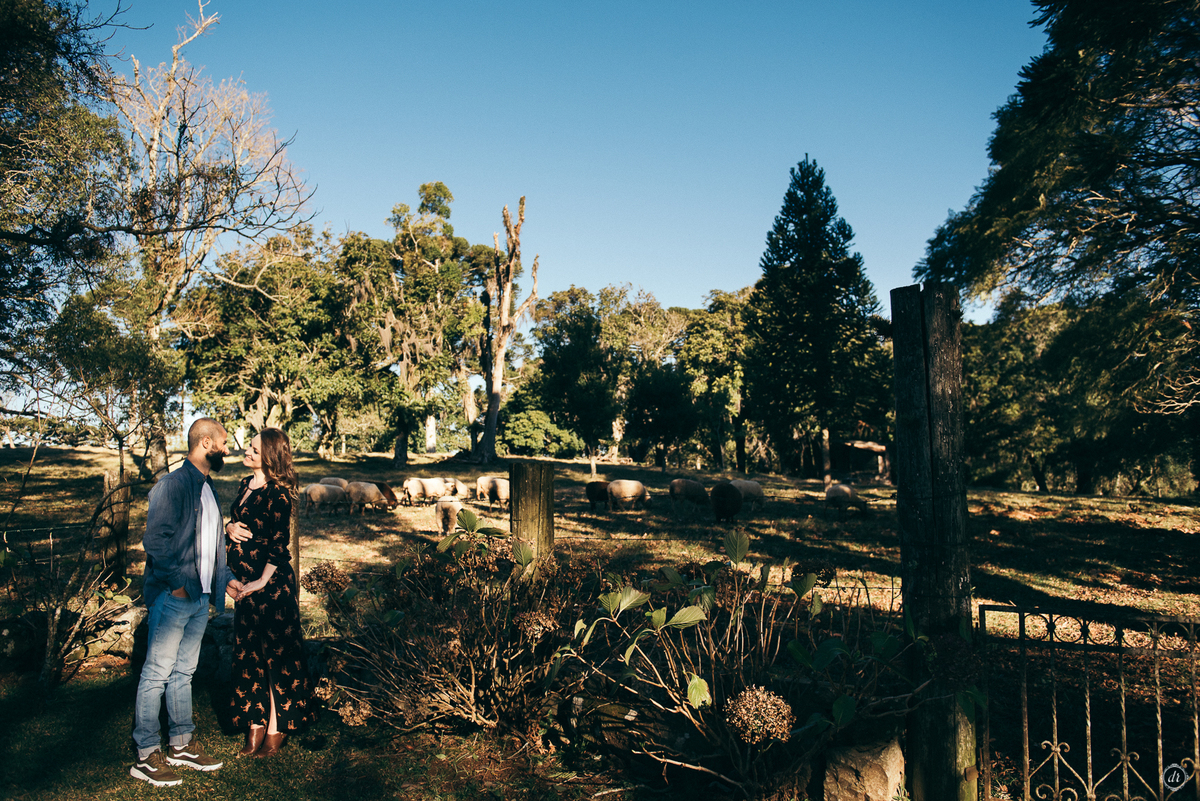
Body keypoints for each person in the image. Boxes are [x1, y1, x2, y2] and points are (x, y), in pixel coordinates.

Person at [131, 418, 245, 787]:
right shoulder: (174, 485)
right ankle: (147, 754)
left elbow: (210, 546)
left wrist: (225, 581)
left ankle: (181, 743)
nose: (228, 449)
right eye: (224, 442)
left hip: (201, 598)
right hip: (175, 596)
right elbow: (156, 541)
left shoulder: (208, 488)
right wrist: (179, 585)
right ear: (206, 442)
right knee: (156, 674)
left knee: (184, 673)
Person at [225, 428, 317, 757]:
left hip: (272, 588)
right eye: (248, 448)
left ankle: (277, 726)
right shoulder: (244, 486)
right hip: (245, 586)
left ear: (270, 456)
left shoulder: (278, 494)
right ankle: (254, 723)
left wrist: (260, 582)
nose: (246, 452)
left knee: (277, 657)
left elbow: (280, 548)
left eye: (253, 449)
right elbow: (237, 524)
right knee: (249, 655)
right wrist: (228, 526)